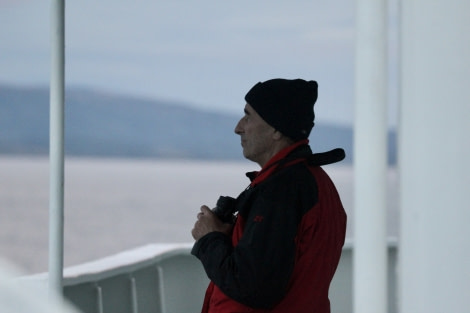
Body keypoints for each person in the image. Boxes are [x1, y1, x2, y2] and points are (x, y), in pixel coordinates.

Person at [191, 78, 347, 313]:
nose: (238, 127)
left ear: (276, 129)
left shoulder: (281, 191)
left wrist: (209, 239)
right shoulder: (315, 181)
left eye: (248, 116)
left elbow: (252, 287)